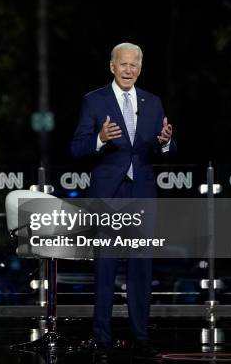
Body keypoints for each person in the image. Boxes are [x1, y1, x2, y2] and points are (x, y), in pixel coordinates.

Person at [70, 42, 175, 359]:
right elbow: (77, 149)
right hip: (109, 195)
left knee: (141, 267)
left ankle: (140, 336)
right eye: (123, 64)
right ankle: (102, 337)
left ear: (140, 68)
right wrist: (100, 138)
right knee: (106, 266)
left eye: (135, 64)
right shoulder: (94, 101)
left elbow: (163, 145)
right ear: (112, 66)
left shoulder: (153, 103)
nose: (129, 69)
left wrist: (166, 143)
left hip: (142, 193)